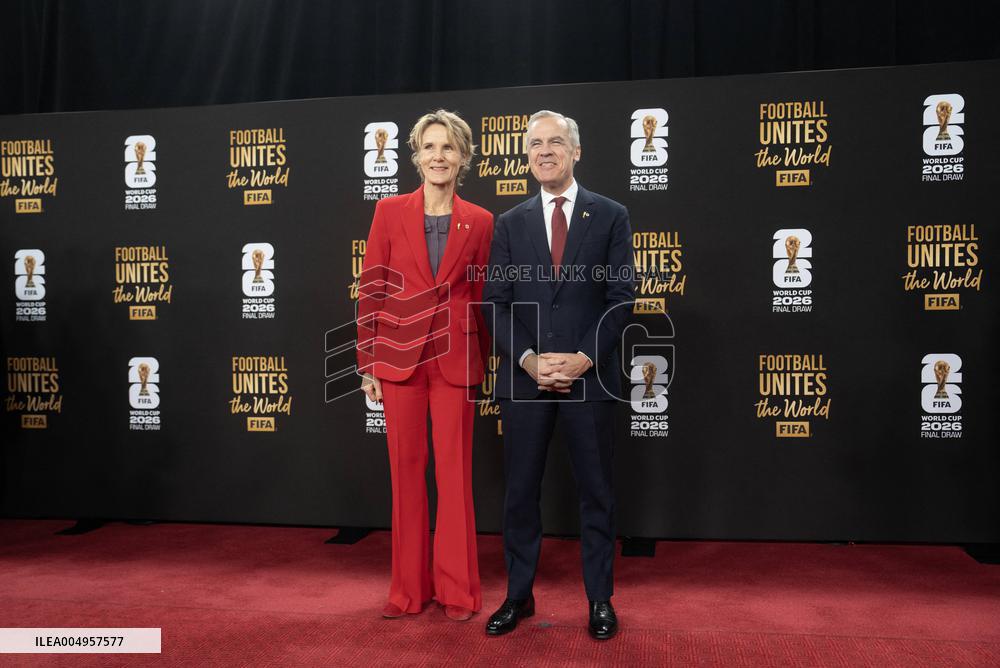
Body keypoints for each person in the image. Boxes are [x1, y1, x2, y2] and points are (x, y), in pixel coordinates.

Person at [482, 110, 634, 640]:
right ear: (526, 155)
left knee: (596, 492)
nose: (543, 151)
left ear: (576, 151)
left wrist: (584, 358)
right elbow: (495, 305)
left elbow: (621, 301)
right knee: (520, 493)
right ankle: (518, 597)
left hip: (588, 380)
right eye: (534, 144)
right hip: (525, 382)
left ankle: (599, 600)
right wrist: (528, 360)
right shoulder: (509, 223)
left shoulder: (611, 215)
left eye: (555, 142)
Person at [357, 110, 493, 622]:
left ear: (463, 158)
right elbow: (372, 289)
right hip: (399, 362)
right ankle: (408, 591)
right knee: (406, 475)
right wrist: (368, 361)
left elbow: (482, 299)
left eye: (449, 148)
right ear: (416, 156)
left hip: (457, 363)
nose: (439, 157)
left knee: (455, 480)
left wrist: (486, 361)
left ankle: (459, 592)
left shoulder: (480, 221)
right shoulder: (389, 211)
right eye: (430, 148)